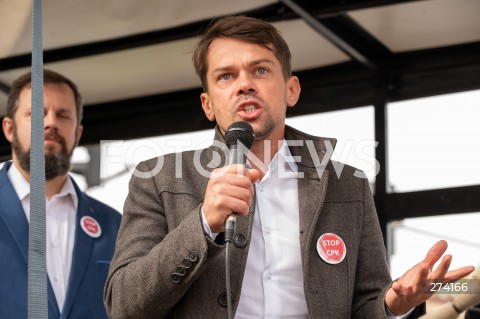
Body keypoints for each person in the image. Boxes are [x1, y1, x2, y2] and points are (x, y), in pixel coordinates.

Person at [104, 16, 474, 318]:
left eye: (260, 71)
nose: (244, 85)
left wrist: (395, 303)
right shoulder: (158, 179)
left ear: (291, 90)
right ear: (208, 104)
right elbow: (123, 304)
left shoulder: (347, 184)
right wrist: (202, 223)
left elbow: (366, 303)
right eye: (226, 76)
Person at [0, 69, 121, 319]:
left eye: (63, 115)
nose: (51, 123)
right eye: (37, 113)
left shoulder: (114, 225)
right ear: (9, 129)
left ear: (77, 133)